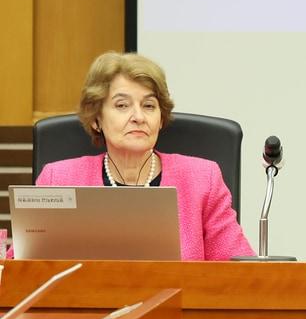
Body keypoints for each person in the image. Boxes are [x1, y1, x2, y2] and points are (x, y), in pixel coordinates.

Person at [34, 52, 254, 261]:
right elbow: (21, 269)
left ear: (160, 118)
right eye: (122, 105)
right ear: (96, 119)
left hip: (180, 300)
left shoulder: (202, 180)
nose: (138, 117)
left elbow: (239, 272)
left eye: (149, 105)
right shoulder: (58, 179)